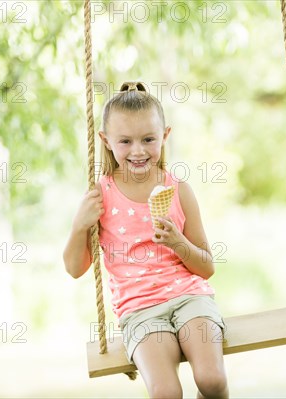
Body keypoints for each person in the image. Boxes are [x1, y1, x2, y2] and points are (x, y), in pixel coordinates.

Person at [63, 81, 229, 398]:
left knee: (211, 380)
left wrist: (179, 243)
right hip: (140, 310)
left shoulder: (179, 191)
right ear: (106, 141)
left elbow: (207, 268)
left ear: (164, 136)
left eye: (148, 139)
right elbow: (74, 268)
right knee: (166, 392)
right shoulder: (100, 197)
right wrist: (79, 225)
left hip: (190, 299)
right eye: (125, 141)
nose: (138, 151)